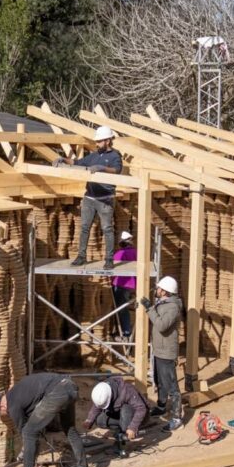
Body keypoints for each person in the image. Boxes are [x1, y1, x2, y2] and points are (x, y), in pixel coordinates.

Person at [0, 372, 90, 467]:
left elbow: (26, 432)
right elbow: (35, 416)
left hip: (57, 391)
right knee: (70, 429)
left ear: (0, 407)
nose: (3, 415)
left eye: (0, 413)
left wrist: (27, 451)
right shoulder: (16, 392)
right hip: (70, 386)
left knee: (28, 433)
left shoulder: (11, 405)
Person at [52, 126, 123, 269]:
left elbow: (117, 170)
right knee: (84, 227)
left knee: (107, 229)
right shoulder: (94, 155)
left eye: (100, 141)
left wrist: (102, 168)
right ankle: (81, 256)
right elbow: (78, 163)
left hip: (105, 199)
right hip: (89, 198)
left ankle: (109, 259)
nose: (97, 144)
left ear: (108, 140)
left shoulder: (115, 156)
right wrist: (63, 160)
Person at [140, 276, 184, 431]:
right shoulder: (163, 302)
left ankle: (177, 418)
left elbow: (161, 325)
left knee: (171, 385)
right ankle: (161, 406)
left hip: (166, 351)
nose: (156, 290)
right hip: (159, 349)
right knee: (159, 381)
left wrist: (149, 309)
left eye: (158, 288)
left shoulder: (172, 307)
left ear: (165, 291)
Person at [83, 376, 149, 457]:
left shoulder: (127, 390)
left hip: (138, 415)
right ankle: (121, 431)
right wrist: (89, 420)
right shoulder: (102, 390)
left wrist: (133, 427)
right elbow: (97, 406)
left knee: (126, 409)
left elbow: (141, 409)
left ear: (110, 396)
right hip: (120, 414)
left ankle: (121, 444)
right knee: (100, 420)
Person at [111, 231, 137, 342]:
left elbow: (111, 269)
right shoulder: (137, 252)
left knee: (122, 309)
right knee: (127, 307)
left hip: (122, 284)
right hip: (134, 284)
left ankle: (126, 333)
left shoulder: (119, 254)